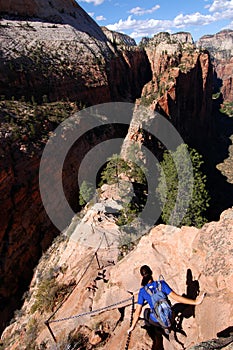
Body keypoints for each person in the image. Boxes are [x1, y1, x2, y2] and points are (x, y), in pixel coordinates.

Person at [127, 265, 205, 334]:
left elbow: (137, 313)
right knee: (176, 307)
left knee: (146, 312)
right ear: (151, 272)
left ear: (142, 276)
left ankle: (159, 329)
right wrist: (195, 302)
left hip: (158, 321)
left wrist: (132, 327)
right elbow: (177, 297)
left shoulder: (142, 291)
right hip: (170, 316)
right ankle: (169, 324)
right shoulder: (161, 284)